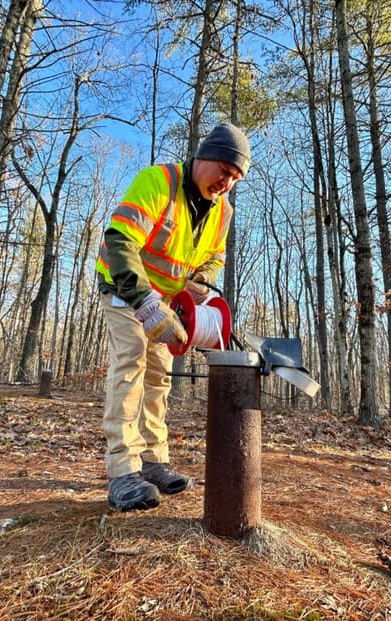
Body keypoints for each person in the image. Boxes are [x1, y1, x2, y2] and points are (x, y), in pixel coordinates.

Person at [95, 122, 251, 512]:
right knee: (130, 365)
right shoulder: (158, 181)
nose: (226, 182)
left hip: (166, 306)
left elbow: (214, 257)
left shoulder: (222, 212)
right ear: (203, 157)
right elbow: (120, 241)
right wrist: (145, 302)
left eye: (235, 177)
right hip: (124, 290)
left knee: (158, 378)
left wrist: (201, 280)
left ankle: (153, 462)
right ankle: (122, 471)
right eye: (224, 170)